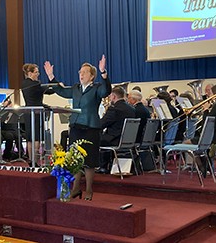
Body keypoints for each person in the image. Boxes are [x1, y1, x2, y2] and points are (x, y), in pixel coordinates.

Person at [44, 55, 111, 201]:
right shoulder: (75, 88)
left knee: (89, 160)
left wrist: (103, 73)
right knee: (75, 159)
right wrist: (51, 76)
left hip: (91, 127)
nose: (81, 74)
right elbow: (61, 91)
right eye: (80, 72)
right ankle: (75, 188)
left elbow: (106, 91)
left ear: (92, 76)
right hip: (75, 126)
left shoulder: (97, 88)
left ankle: (88, 189)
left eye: (84, 72)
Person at [97, 86, 135, 174]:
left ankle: (102, 166)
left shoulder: (114, 109)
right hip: (128, 140)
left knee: (93, 138)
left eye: (110, 96)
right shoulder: (131, 109)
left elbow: (101, 124)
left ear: (113, 96)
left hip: (114, 140)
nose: (110, 98)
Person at [21, 63, 54, 164]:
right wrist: (56, 85)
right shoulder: (36, 84)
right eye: (36, 72)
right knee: (36, 138)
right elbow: (49, 91)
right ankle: (35, 161)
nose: (38, 74)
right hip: (36, 113)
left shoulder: (24, 83)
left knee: (30, 138)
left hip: (27, 112)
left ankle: (31, 160)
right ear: (30, 73)